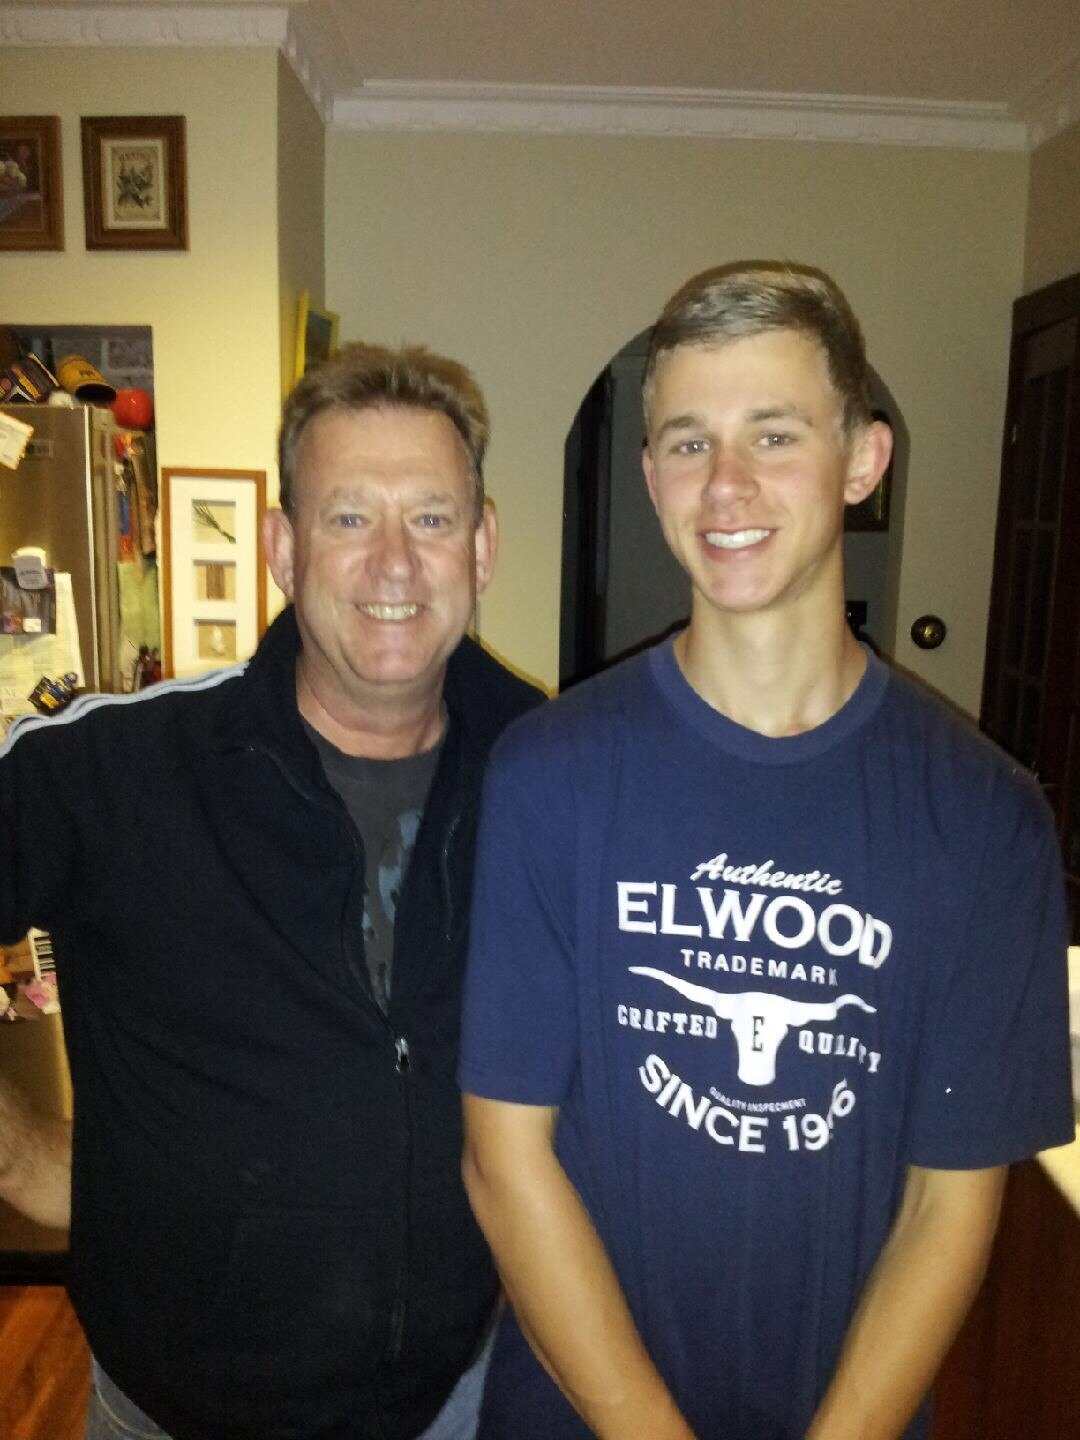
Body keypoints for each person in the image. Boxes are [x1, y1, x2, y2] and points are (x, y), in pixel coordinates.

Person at [458, 262, 1074, 1440]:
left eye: (774, 434)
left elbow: (951, 1206)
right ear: (649, 478)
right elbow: (505, 1160)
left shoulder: (986, 821)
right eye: (687, 443)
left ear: (863, 460)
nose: (725, 484)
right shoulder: (549, 776)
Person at [0, 341, 543, 1440]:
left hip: (460, 1401)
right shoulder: (116, 773)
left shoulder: (556, 776)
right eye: (349, 518)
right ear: (283, 547)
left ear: (483, 546)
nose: (394, 563)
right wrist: (17, 1149)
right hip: (171, 1412)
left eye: (431, 518)